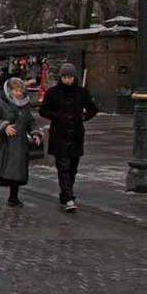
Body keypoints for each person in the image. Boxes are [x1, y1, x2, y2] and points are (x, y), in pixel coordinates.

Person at [39, 62, 98, 212]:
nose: (67, 80)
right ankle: (69, 197)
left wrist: (83, 117)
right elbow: (43, 110)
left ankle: (65, 193)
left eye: (70, 77)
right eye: (65, 77)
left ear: (74, 77)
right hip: (59, 134)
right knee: (63, 166)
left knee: (72, 167)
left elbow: (92, 108)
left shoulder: (81, 92)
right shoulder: (53, 92)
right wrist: (58, 116)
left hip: (76, 134)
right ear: (61, 77)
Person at [0, 77, 42, 207]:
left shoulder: (24, 105)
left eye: (20, 90)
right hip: (2, 143)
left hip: (19, 143)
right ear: (9, 90)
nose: (18, 93)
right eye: (15, 90)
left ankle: (13, 197)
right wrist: (4, 126)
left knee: (17, 172)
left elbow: (30, 122)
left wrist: (35, 133)